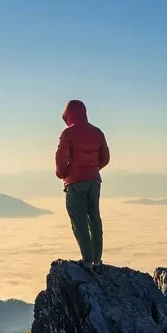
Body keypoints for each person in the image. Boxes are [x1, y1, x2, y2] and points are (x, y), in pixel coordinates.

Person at [55, 99, 110, 267]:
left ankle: (87, 260)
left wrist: (63, 174)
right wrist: (93, 169)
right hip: (94, 181)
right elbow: (105, 158)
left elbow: (60, 158)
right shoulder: (97, 132)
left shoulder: (68, 134)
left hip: (75, 183)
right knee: (94, 218)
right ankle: (97, 260)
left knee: (79, 221)